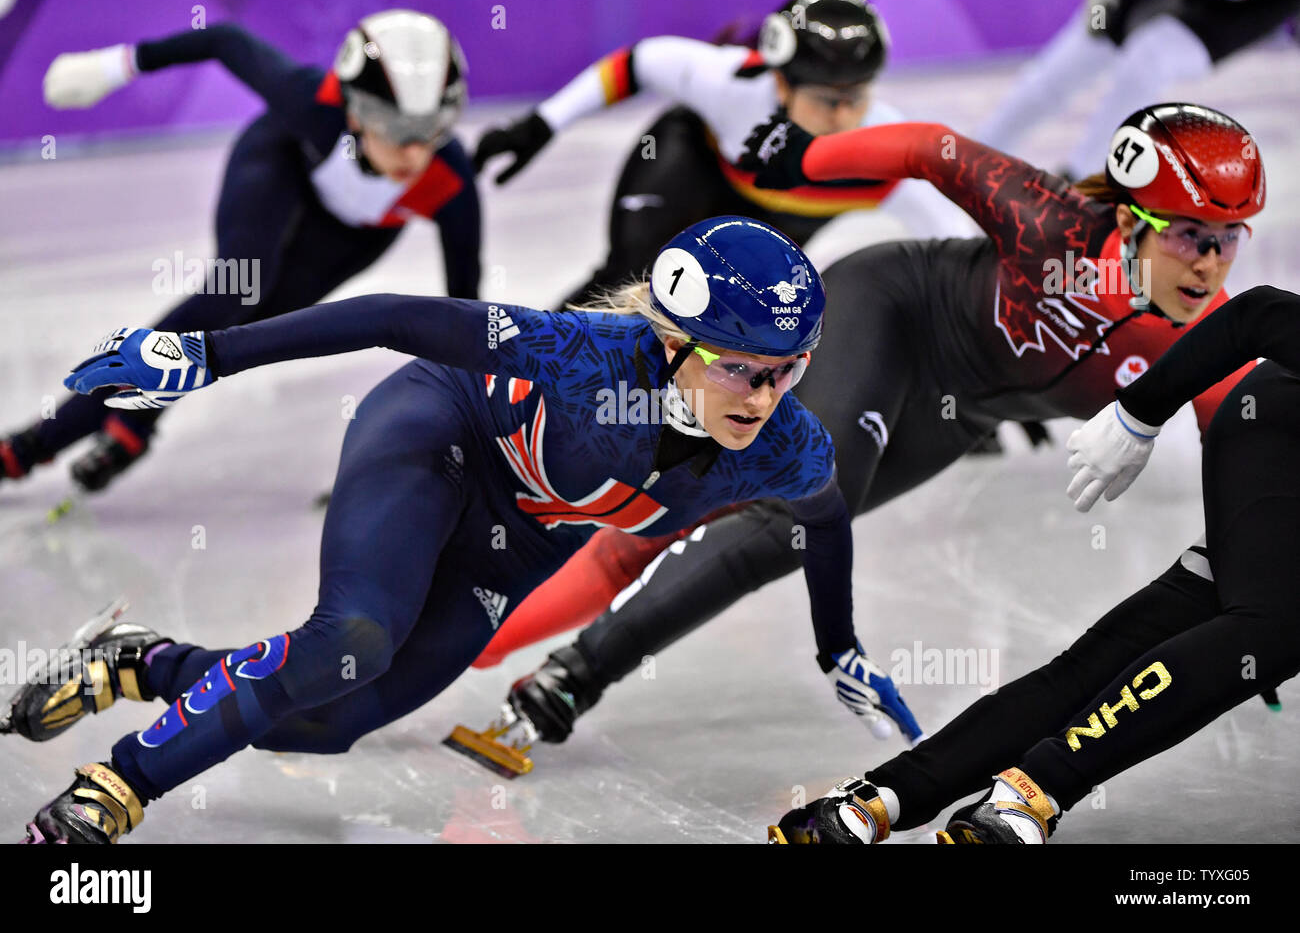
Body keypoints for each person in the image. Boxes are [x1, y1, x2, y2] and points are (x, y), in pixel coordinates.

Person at [1, 216, 922, 843]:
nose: (764, 400)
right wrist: (205, 354)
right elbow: (393, 319)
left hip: (514, 545)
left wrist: (837, 650)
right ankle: (111, 794)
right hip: (439, 434)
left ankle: (142, 662)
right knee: (353, 639)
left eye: (787, 372)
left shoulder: (785, 448)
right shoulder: (588, 353)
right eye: (740, 371)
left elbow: (825, 520)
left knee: (321, 725)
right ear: (674, 340)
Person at [452, 102, 1266, 772]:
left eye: (1231, 241)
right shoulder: (1049, 223)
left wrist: (1246, 595)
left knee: (709, 517)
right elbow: (927, 148)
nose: (1211, 265)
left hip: (955, 415)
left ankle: (464, 647)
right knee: (796, 514)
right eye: (1192, 235)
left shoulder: (1210, 337)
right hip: (891, 312)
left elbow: (1242, 455)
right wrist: (807, 157)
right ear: (1132, 217)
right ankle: (565, 674)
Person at [772, 283, 1300, 844]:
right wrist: (1137, 414)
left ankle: (885, 796)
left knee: (1167, 630)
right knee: (1278, 623)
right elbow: (1257, 313)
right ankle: (1034, 789)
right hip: (1281, 431)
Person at [0, 10, 480, 494]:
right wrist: (112, 67)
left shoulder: (449, 180)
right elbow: (226, 41)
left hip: (357, 232)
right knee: (229, 296)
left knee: (247, 331)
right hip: (279, 165)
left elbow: (466, 317)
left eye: (434, 127)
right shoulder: (313, 105)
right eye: (394, 126)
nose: (415, 153)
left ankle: (136, 421)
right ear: (353, 109)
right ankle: (36, 443)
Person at [473, 0, 975, 308]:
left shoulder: (886, 152)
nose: (844, 116)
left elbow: (955, 251)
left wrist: (977, 369)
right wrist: (542, 122)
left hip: (770, 212)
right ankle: (526, 372)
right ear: (781, 84)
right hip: (690, 163)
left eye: (857, 97)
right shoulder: (732, 84)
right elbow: (640, 63)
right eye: (826, 100)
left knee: (747, 314)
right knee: (633, 285)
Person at [976, 0, 1300, 179]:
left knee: (1149, 59)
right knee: (1072, 57)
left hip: (1229, 14)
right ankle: (976, 153)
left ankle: (1083, 184)